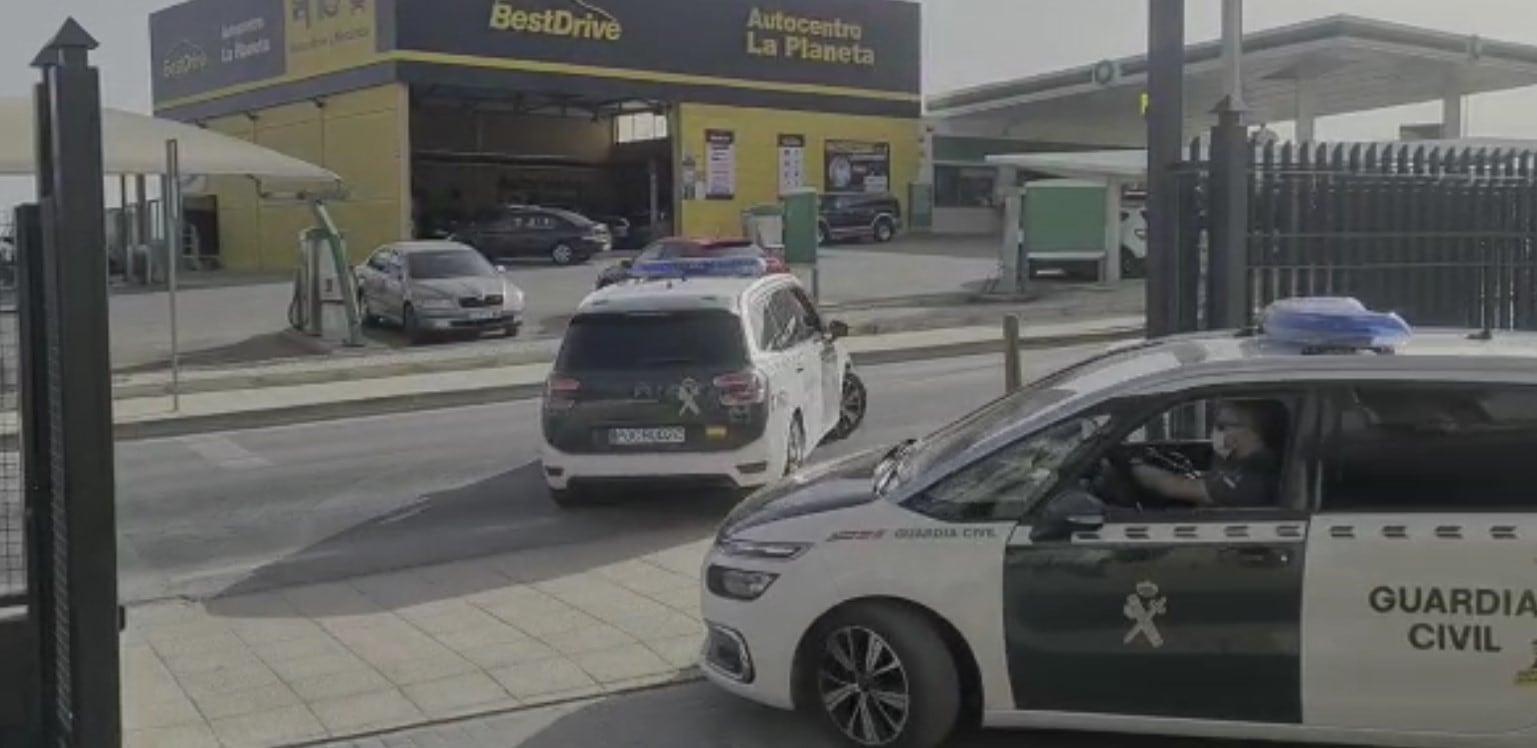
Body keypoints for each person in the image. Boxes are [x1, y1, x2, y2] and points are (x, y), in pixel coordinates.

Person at [1128, 399, 1285, 508]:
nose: (1215, 432)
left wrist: (1136, 468)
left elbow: (1174, 487)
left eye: (1223, 426)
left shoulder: (1254, 476)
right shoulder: (1239, 462)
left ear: (1252, 433)